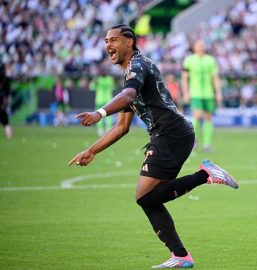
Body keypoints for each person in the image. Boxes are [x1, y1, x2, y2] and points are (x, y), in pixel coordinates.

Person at [67, 25, 238, 269]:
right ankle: (181, 256)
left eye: (113, 40)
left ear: (129, 41)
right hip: (170, 135)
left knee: (145, 196)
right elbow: (121, 127)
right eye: (105, 41)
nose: (108, 45)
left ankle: (205, 175)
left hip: (171, 133)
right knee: (148, 198)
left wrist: (99, 112)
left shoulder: (138, 65)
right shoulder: (130, 77)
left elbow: (127, 97)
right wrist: (91, 151)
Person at [182, 39, 222, 151]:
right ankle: (193, 141)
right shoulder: (189, 60)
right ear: (194, 47)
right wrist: (186, 92)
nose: (200, 47)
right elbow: (184, 78)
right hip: (196, 93)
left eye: (202, 45)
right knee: (197, 116)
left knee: (208, 118)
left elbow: (215, 78)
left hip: (208, 94)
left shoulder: (210, 60)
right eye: (198, 45)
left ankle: (207, 144)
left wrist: (218, 92)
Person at [90, 70, 115, 136]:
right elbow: (113, 87)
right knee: (108, 115)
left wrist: (95, 81)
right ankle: (107, 129)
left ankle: (101, 129)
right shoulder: (110, 79)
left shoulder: (98, 80)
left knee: (99, 115)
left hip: (100, 100)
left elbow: (91, 87)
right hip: (108, 100)